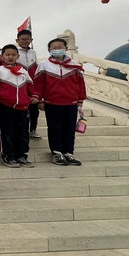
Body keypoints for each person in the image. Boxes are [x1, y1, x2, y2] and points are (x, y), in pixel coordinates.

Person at [33, 38, 87, 166]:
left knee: (69, 129)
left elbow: (80, 84)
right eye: (54, 48)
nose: (57, 49)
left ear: (66, 48)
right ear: (49, 50)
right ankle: (57, 153)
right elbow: (38, 84)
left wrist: (80, 100)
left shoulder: (74, 65)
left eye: (60, 47)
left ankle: (68, 152)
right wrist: (39, 100)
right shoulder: (44, 65)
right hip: (52, 103)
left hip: (71, 103)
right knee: (54, 129)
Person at [0, 44, 38, 168]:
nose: (10, 57)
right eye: (7, 55)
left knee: (23, 133)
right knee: (6, 133)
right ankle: (8, 157)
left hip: (22, 107)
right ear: (2, 56)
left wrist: (34, 96)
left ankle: (21, 156)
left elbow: (31, 86)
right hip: (4, 106)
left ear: (17, 56)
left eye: (13, 55)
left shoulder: (23, 71)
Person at [16, 29, 41, 139]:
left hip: (32, 85)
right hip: (20, 84)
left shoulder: (33, 52)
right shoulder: (14, 52)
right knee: (21, 109)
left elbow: (36, 67)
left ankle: (33, 130)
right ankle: (22, 131)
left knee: (34, 109)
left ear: (31, 40)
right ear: (17, 40)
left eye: (27, 39)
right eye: (23, 39)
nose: (25, 41)